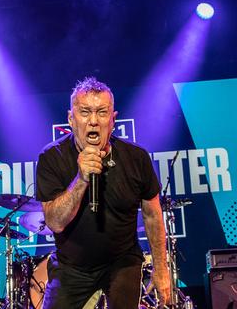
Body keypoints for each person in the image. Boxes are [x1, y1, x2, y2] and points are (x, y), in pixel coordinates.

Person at [35, 77, 171, 308]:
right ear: (71, 118)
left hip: (122, 261)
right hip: (72, 266)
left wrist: (161, 269)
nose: (93, 121)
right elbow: (55, 222)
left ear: (113, 119)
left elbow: (152, 214)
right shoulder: (52, 157)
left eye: (102, 112)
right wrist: (81, 179)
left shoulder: (136, 158)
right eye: (85, 112)